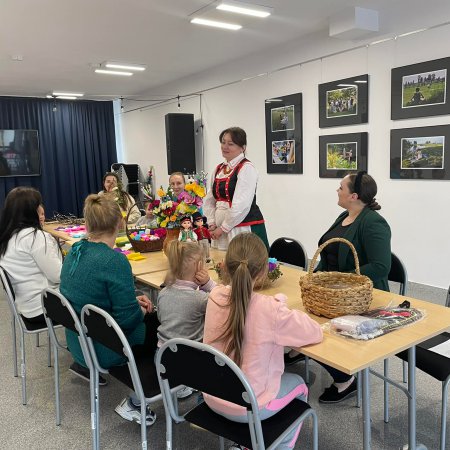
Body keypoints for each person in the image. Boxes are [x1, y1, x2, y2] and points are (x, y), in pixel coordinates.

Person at [203, 233, 323, 449]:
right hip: (252, 405)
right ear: (262, 273)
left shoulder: (215, 297)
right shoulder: (271, 309)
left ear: (225, 267)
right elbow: (314, 332)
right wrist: (280, 304)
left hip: (212, 398)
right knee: (301, 385)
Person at [60, 194, 157, 426]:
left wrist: (133, 298)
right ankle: (140, 400)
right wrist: (141, 311)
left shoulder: (75, 251)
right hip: (105, 349)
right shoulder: (114, 261)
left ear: (88, 223)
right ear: (119, 224)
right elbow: (127, 320)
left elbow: (96, 294)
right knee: (161, 322)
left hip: (78, 342)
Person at [315, 171, 391, 403]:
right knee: (293, 313)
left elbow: (380, 267)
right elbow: (328, 253)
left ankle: (344, 380)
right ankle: (297, 349)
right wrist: (317, 278)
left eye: (341, 187)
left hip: (361, 297)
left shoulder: (374, 223)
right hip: (333, 293)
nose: (337, 191)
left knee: (314, 327)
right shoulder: (343, 216)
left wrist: (342, 281)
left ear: (354, 195)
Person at [157, 239, 216, 397]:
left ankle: (180, 384)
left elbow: (161, 317)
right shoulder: (199, 298)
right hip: (190, 360)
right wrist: (209, 284)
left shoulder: (163, 293)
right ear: (198, 267)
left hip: (163, 356)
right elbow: (223, 301)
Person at [0, 187, 62, 324]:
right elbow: (58, 276)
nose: (41, 208)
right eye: (38, 205)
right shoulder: (35, 237)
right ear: (30, 211)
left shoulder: (8, 236)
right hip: (43, 308)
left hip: (26, 307)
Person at [203, 127, 269, 251]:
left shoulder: (246, 168)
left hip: (241, 228)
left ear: (242, 147)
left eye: (230, 144)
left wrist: (223, 228)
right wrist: (211, 223)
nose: (225, 147)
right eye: (223, 142)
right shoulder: (219, 169)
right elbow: (210, 200)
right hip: (219, 229)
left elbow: (241, 205)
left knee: (241, 263)